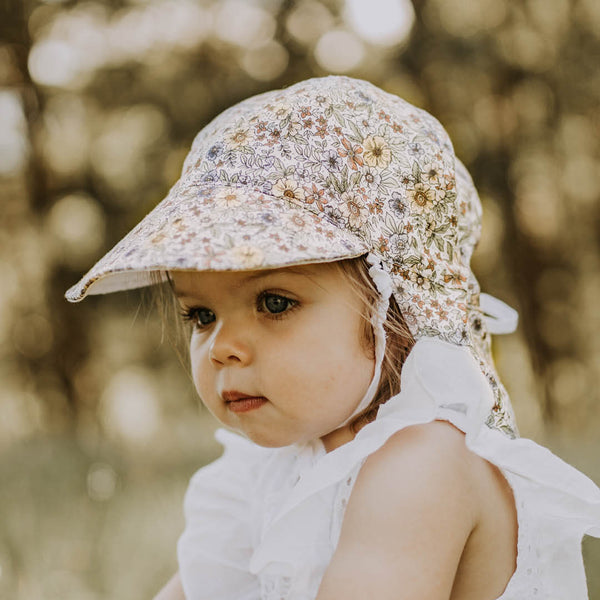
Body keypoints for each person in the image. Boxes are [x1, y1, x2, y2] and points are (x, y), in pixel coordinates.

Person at [66, 76, 600, 600]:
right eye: (201, 315)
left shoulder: (423, 464)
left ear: (395, 311)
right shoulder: (262, 474)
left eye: (275, 303)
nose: (222, 346)